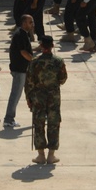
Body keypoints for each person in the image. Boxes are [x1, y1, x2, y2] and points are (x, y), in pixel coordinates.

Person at [24, 35, 68, 165]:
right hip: (53, 96)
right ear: (52, 46)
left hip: (38, 97)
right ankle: (51, 155)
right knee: (54, 123)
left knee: (39, 123)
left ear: (41, 46)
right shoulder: (58, 61)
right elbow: (63, 79)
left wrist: (29, 98)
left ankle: (41, 155)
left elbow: (29, 83)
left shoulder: (35, 62)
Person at [3, 14, 34, 129]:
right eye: (30, 22)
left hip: (22, 69)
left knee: (21, 93)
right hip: (19, 69)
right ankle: (8, 119)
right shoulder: (20, 35)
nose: (32, 25)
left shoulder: (24, 34)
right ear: (24, 23)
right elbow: (23, 52)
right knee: (15, 94)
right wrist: (34, 61)